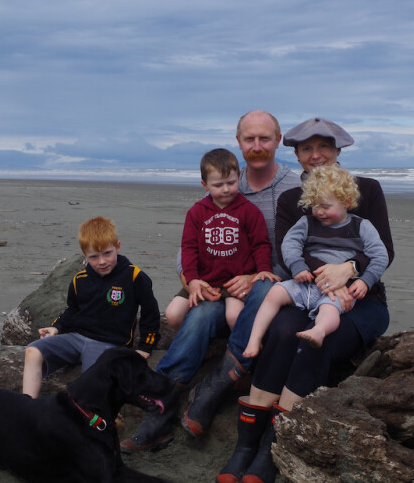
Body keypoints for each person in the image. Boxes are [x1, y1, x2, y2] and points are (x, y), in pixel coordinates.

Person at [217, 118, 395, 483]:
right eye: (307, 149)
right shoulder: (291, 200)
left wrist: (349, 269)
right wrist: (326, 275)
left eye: (324, 147)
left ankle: (272, 445)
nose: (316, 155)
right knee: (283, 331)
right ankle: (245, 446)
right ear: (296, 154)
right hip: (308, 291)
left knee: (319, 341)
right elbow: (289, 254)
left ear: (338, 151)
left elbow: (383, 250)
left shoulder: (368, 190)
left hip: (363, 300)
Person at [121, 111, 301, 453]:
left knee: (262, 289)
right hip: (217, 283)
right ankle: (161, 404)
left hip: (269, 284)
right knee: (199, 315)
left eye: (265, 138)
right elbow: (190, 247)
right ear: (239, 143)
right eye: (250, 139)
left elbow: (296, 247)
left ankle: (214, 387)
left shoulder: (294, 188)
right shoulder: (226, 178)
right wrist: (191, 281)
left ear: (279, 141)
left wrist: (253, 275)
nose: (257, 145)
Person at [243, 164, 388, 358]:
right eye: (315, 205)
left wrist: (365, 280)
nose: (319, 212)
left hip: (339, 291)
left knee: (330, 310)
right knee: (275, 293)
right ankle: (254, 338)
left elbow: (380, 255)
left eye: (326, 206)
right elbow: (289, 244)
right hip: (306, 285)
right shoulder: (306, 223)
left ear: (347, 201)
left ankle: (319, 331)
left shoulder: (361, 226)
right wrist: (298, 266)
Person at [21, 217, 161, 399]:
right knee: (32, 351)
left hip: (108, 344)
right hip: (76, 337)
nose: (102, 261)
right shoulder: (79, 279)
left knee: (90, 380)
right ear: (84, 254)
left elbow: (151, 314)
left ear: (117, 246)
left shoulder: (135, 277)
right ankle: (27, 403)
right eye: (94, 257)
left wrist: (145, 348)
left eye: (107, 254)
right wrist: (56, 327)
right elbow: (72, 310)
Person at [166, 148, 278, 334]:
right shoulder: (196, 212)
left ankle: (239, 352)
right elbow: (188, 247)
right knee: (173, 314)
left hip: (234, 281)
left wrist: (263, 270)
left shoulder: (249, 211)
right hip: (205, 280)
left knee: (234, 317)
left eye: (231, 183)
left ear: (239, 178)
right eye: (218, 185)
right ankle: (205, 346)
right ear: (205, 185)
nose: (226, 189)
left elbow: (261, 244)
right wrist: (192, 280)